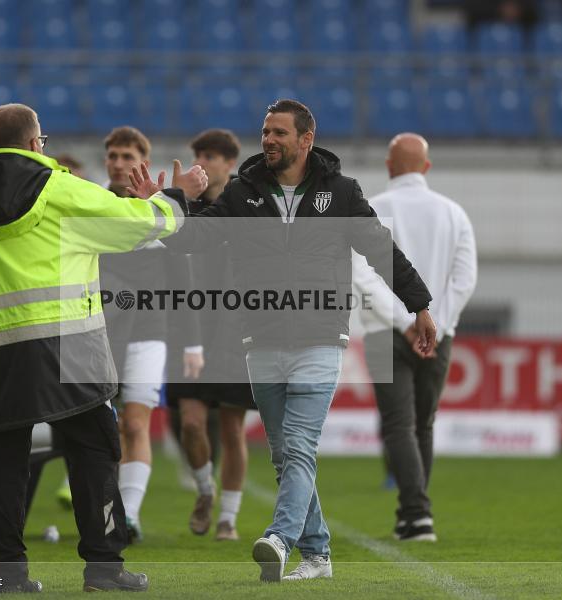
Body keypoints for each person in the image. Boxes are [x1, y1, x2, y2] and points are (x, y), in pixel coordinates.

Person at [0, 103, 206, 593]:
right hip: (70, 347)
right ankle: (103, 569)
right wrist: (178, 198)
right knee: (95, 451)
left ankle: (7, 576)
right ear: (34, 144)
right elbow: (136, 225)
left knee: (4, 460)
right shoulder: (60, 189)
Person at [158, 100, 437, 582]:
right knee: (285, 454)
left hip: (320, 335)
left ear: (306, 139)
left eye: (279, 132)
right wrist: (168, 200)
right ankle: (319, 554)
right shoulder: (242, 193)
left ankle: (280, 538)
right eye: (265, 131)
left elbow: (379, 248)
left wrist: (420, 305)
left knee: (300, 444)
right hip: (260, 337)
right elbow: (191, 241)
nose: (268, 139)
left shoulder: (343, 192)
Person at [353, 133, 477, 542]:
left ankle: (415, 515)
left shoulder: (371, 208)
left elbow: (362, 276)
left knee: (398, 424)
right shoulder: (454, 213)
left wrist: (404, 322)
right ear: (426, 167)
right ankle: (414, 515)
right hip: (439, 334)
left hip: (384, 333)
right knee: (424, 423)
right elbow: (464, 279)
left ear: (390, 166)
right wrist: (435, 322)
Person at [98, 126, 201, 543]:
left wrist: (192, 343)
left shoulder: (165, 210)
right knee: (98, 430)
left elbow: (183, 276)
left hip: (148, 329)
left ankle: (128, 517)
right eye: (114, 156)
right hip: (97, 331)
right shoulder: (92, 205)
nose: (120, 164)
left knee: (136, 423)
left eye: (128, 156)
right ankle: (100, 511)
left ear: (144, 159)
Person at [165, 129, 257, 542]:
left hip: (234, 330)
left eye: (213, 155)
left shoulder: (249, 205)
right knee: (190, 424)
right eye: (199, 153)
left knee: (234, 429)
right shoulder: (181, 206)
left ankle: (229, 519)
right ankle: (205, 490)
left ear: (230, 164)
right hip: (188, 327)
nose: (203, 160)